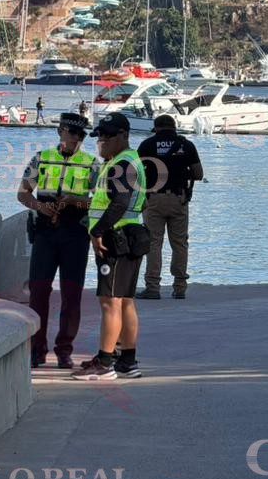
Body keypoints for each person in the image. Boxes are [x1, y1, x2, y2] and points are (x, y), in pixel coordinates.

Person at [17, 112, 98, 369]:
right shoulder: (41, 158)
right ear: (60, 132)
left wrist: (77, 201)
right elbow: (23, 193)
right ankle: (36, 348)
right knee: (39, 291)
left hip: (75, 233)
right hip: (45, 232)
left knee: (72, 294)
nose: (74, 139)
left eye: (79, 135)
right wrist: (40, 206)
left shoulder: (92, 164)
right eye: (70, 133)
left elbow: (100, 201)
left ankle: (64, 350)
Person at [75, 111, 149, 381]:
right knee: (125, 300)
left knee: (110, 301)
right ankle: (127, 361)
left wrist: (97, 231)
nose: (102, 142)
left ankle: (105, 363)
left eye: (107, 137)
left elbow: (119, 203)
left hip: (115, 239)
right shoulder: (127, 161)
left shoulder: (122, 164)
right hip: (129, 236)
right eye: (100, 137)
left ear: (124, 136)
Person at [137, 114, 204, 299]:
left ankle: (152, 288)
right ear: (174, 127)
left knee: (153, 243)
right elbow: (199, 174)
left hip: (154, 199)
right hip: (178, 199)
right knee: (180, 243)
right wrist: (181, 171)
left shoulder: (147, 145)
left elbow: (136, 173)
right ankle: (180, 287)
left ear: (156, 128)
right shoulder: (186, 145)